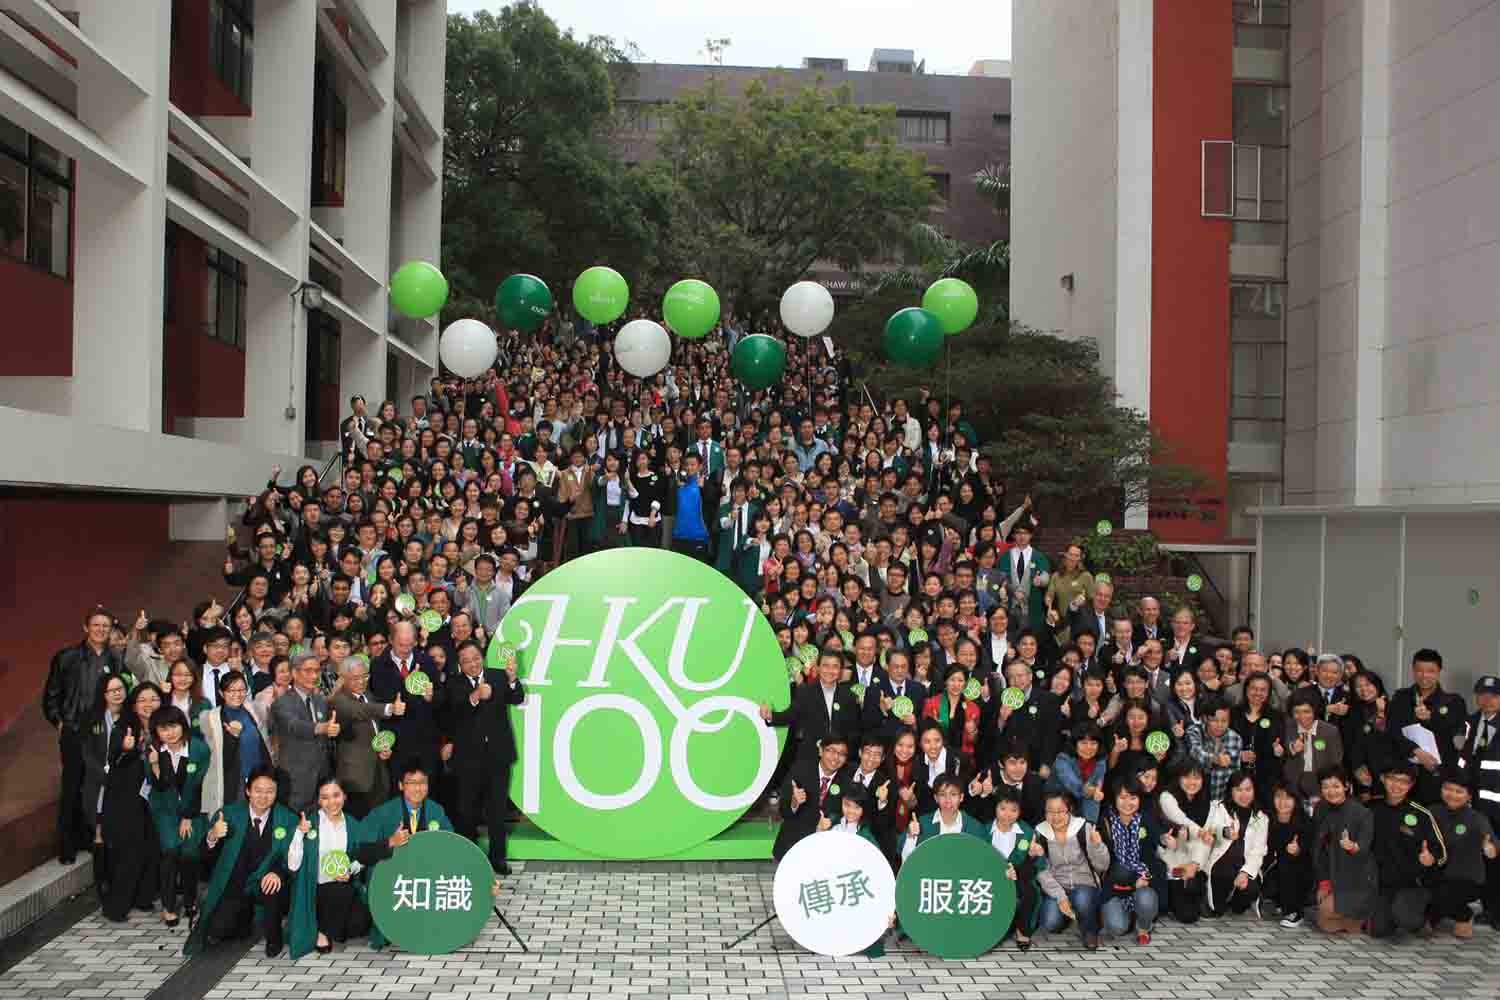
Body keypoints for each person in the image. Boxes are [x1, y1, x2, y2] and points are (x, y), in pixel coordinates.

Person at [186, 765, 300, 957]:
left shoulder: (288, 818)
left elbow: (293, 857)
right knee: (218, 932)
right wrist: (212, 836)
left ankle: (274, 939)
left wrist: (278, 873)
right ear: (248, 791)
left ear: (277, 792)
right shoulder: (228, 814)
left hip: (267, 885)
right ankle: (244, 918)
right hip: (236, 887)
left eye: (270, 791)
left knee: (273, 886)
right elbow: (203, 857)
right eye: (258, 790)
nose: (263, 796)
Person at [44, 609, 127, 865]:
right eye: (96, 625)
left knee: (95, 785)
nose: (101, 630)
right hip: (74, 730)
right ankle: (67, 845)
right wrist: (59, 722)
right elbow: (51, 694)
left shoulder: (115, 658)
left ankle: (89, 836)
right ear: (85, 627)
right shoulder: (67, 657)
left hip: (102, 731)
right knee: (72, 785)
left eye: (106, 626)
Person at [442, 638, 525, 872]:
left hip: (498, 756)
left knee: (497, 810)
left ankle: (498, 858)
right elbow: (455, 711)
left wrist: (512, 680)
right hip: (468, 759)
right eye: (467, 661)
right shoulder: (453, 683)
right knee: (467, 811)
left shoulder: (497, 676)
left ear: (482, 657)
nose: (473, 664)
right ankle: (469, 859)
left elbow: (517, 698)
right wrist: (476, 695)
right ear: (460, 665)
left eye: (476, 659)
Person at [285, 778, 390, 957]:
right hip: (313, 890)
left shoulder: (353, 824)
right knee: (340, 894)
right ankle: (321, 933)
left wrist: (350, 870)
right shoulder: (308, 823)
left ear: (344, 796)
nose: (331, 802)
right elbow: (293, 865)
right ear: (318, 800)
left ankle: (325, 925)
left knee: (360, 923)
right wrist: (299, 834)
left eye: (336, 795)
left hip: (340, 887)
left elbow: (360, 858)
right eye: (324, 797)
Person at [99, 682, 164, 921]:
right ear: (134, 705)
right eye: (142, 700)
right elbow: (112, 762)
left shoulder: (166, 727)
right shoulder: (124, 728)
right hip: (126, 800)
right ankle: (116, 907)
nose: (149, 704)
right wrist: (126, 750)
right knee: (130, 852)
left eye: (154, 699)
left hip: (154, 798)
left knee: (151, 848)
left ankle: (143, 897)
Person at [146, 705, 210, 927]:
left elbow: (201, 785)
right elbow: (157, 785)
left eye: (173, 726)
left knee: (190, 854)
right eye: (163, 729)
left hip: (194, 810)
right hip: (166, 810)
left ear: (183, 725)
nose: (170, 733)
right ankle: (169, 906)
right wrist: (155, 765)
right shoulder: (153, 750)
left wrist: (188, 816)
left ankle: (190, 900)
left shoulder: (199, 749)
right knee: (170, 852)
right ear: (156, 732)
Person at [1367, 763, 1445, 938]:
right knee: (1379, 930)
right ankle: (1394, 911)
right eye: (1393, 779)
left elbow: (1440, 851)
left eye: (1404, 781)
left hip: (1411, 883)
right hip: (1381, 883)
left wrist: (1431, 858)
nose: (1397, 785)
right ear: (1383, 779)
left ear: (1411, 785)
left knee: (1406, 918)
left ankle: (1422, 918)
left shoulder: (1421, 813)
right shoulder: (1370, 808)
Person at [1387, 648, 1467, 805]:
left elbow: (1457, 737)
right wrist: (1415, 751)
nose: (1424, 676)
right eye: (1419, 670)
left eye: (1430, 671)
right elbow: (1392, 731)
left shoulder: (1453, 702)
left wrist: (1432, 718)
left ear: (1439, 672)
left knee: (1435, 814)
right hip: (1405, 774)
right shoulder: (1400, 698)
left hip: (1439, 774)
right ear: (1413, 670)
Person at [328, 656, 404, 817]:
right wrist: (389, 708)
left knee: (380, 820)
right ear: (344, 678)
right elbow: (360, 710)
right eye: (356, 678)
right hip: (355, 776)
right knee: (359, 821)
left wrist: (383, 748)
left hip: (379, 771)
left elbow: (373, 728)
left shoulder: (368, 695)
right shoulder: (339, 700)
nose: (361, 682)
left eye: (365, 676)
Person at [1033, 790, 1108, 950]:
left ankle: (1089, 929)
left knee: (1082, 899)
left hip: (1085, 884)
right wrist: (1060, 896)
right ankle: (1072, 914)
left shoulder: (1084, 828)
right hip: (1057, 886)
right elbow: (1041, 871)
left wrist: (1098, 846)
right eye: (1050, 811)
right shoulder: (1039, 833)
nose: (1055, 817)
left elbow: (1103, 865)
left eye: (1060, 811)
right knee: (1050, 923)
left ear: (1070, 810)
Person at [369, 621, 441, 782]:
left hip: (425, 741)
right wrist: (406, 686)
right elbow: (377, 701)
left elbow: (441, 696)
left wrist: (431, 697)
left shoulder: (426, 662)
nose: (406, 650)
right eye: (401, 645)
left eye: (410, 645)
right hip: (396, 743)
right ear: (391, 640)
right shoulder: (377, 665)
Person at [1429, 767, 1496, 939]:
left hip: (1467, 879)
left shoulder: (1476, 818)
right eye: (1448, 789)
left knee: (1441, 896)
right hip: (1437, 874)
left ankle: (1464, 914)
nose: (1452, 795)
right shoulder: (1432, 811)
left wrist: (1489, 849)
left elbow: (1492, 844)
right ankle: (1438, 912)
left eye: (1459, 791)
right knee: (1425, 904)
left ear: (1469, 796)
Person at [1097, 778, 1165, 945]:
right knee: (1117, 927)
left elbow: (1155, 856)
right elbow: (1103, 863)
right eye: (1123, 797)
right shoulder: (1105, 822)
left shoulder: (1146, 819)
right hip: (1114, 887)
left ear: (1140, 799)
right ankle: (1126, 913)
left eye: (1133, 798)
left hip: (1142, 883)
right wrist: (1095, 845)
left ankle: (1143, 926)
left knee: (1147, 900)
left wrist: (1166, 839)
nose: (1128, 803)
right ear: (1114, 799)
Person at [270, 652, 340, 813]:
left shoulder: (320, 701)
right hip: (296, 780)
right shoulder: (282, 703)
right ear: (294, 673)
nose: (314, 676)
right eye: (308, 671)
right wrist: (322, 728)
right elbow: (294, 726)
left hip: (322, 776)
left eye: (317, 671)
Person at [1311, 766, 1378, 934]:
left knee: (1325, 911)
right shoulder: (1321, 808)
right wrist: (1324, 883)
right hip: (1332, 875)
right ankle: (1355, 921)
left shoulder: (1362, 813)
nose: (1331, 791)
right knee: (1324, 924)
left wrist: (1352, 847)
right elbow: (1319, 850)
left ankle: (1364, 915)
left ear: (1346, 786)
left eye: (1336, 786)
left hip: (1357, 880)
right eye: (1326, 787)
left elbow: (1363, 848)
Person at [761, 649, 861, 760]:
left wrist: (844, 752)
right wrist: (771, 716)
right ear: (818, 668)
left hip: (838, 758)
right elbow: (791, 715)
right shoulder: (805, 691)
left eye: (835, 667)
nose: (830, 671)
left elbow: (853, 731)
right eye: (825, 666)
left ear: (841, 670)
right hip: (810, 755)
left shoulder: (849, 696)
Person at [80, 673, 129, 882]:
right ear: (103, 694)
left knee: (120, 834)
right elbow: (87, 754)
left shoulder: (130, 718)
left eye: (120, 689)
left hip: (123, 784)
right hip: (99, 784)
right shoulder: (92, 718)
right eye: (112, 690)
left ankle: (119, 881)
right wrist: (103, 775)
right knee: (99, 832)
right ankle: (102, 883)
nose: (117, 694)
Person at [1459, 674, 1500, 923]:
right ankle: (1489, 907)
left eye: (1494, 695)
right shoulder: (1470, 722)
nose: (1487, 700)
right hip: (1476, 804)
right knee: (1485, 855)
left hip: (1498, 803)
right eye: (1482, 695)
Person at [772, 735, 851, 860]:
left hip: (826, 852)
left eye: (842, 754)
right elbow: (783, 811)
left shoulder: (848, 780)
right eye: (831, 750)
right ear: (821, 751)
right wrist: (794, 803)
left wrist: (831, 821)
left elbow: (847, 813)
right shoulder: (800, 770)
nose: (836, 757)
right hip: (793, 847)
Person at [1157, 762, 1215, 923]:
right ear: (1178, 778)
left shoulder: (1206, 802)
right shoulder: (1167, 797)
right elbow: (1180, 819)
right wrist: (1201, 832)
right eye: (1187, 777)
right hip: (1173, 858)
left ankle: (1197, 886)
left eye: (1196, 778)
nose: (1192, 782)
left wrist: (1194, 865)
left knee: (1191, 914)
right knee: (1186, 915)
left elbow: (1208, 838)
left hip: (1194, 861)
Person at [1205, 770, 1268, 917]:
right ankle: (1220, 898)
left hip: (1244, 867)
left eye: (1248, 789)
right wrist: (1225, 832)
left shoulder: (1261, 818)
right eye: (1238, 790)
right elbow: (1211, 829)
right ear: (1231, 791)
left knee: (1248, 892)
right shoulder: (1218, 808)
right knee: (1217, 910)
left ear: (1254, 790)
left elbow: (1258, 851)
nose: (1244, 794)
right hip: (1220, 867)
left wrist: (1245, 873)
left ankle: (1236, 901)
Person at [1262, 780, 1315, 928]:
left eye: (1288, 797)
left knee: (1289, 863)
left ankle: (1295, 911)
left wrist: (1298, 849)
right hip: (1272, 868)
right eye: (1278, 796)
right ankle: (1278, 900)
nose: (1282, 802)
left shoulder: (1304, 822)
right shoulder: (1265, 818)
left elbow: (1308, 850)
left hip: (1298, 873)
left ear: (1296, 800)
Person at [1279, 689, 1343, 804]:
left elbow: (1335, 763)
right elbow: (1280, 756)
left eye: (1306, 711)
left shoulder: (1330, 731)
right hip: (1292, 785)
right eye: (1296, 712)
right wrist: (1292, 749)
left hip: (1321, 784)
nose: (1301, 716)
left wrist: (1326, 791)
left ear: (1315, 710)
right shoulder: (1286, 727)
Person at [900, 774, 988, 857]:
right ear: (936, 798)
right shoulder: (922, 823)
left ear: (961, 797)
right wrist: (910, 837)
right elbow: (907, 859)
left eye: (953, 794)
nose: (948, 800)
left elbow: (984, 860)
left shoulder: (975, 828)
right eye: (942, 795)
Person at [1049, 724, 1108, 823]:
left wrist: (1095, 792)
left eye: (1093, 743)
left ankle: (1089, 827)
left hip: (1083, 803)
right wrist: (1091, 791)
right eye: (1083, 743)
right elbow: (1074, 785)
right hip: (1057, 801)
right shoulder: (1063, 759)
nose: (1088, 747)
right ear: (1075, 744)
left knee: (1093, 800)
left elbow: (1096, 789)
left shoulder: (1100, 761)